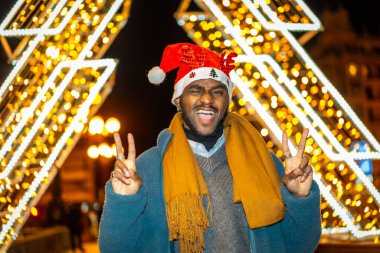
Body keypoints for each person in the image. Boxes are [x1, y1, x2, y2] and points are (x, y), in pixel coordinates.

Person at [98, 43, 321, 253]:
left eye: (217, 91)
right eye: (195, 89)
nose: (207, 98)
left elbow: (300, 246)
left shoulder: (264, 162)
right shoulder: (147, 169)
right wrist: (124, 203)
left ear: (227, 101)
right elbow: (114, 249)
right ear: (178, 100)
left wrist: (300, 200)